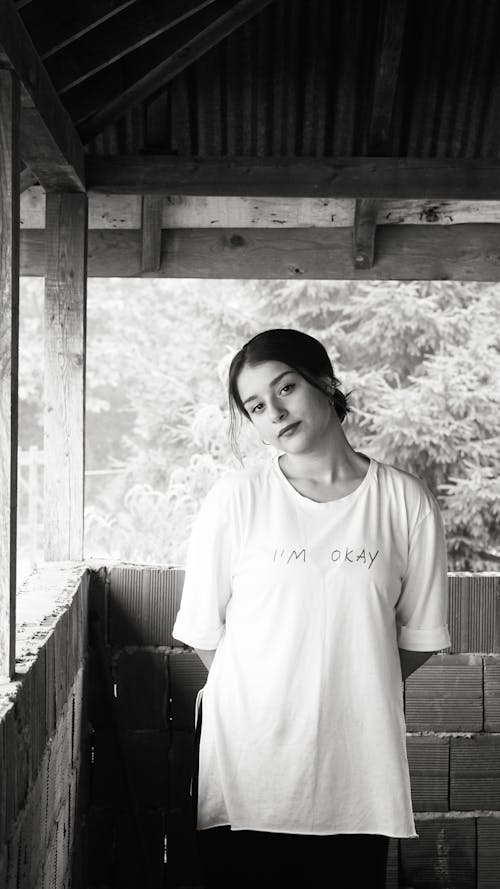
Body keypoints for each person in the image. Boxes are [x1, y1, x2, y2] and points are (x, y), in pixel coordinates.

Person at [172, 328, 451, 889]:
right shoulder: (236, 499)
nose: (274, 411)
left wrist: (345, 694)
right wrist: (277, 698)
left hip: (355, 773)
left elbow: (418, 636)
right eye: (256, 405)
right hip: (248, 765)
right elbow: (206, 631)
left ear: (324, 382)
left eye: (286, 387)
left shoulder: (404, 502)